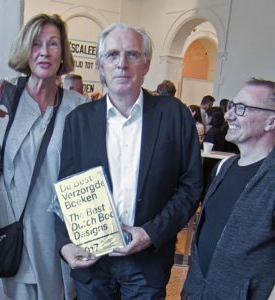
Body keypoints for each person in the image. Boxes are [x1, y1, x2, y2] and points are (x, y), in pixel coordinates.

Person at [55, 22, 202, 299]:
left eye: (132, 54)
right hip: (93, 260)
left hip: (147, 261)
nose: (122, 63)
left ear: (145, 65)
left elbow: (190, 186)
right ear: (100, 66)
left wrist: (151, 232)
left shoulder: (174, 115)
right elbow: (65, 188)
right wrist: (64, 243)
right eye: (112, 55)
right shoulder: (79, 121)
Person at [0, 13, 87, 300]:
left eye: (53, 44)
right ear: (25, 50)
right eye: (36, 44)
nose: (44, 51)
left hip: (54, 241)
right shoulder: (3, 93)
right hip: (7, 237)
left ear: (63, 53)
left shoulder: (78, 108)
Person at [183, 78, 275, 299]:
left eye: (242, 108)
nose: (228, 115)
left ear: (271, 121)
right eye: (232, 106)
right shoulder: (225, 167)